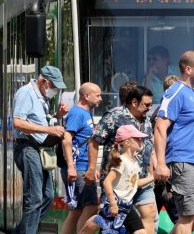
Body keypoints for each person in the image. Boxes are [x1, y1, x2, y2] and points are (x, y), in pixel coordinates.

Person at [87, 84, 157, 234]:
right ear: (134, 102)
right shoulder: (115, 116)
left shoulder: (146, 121)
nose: (149, 107)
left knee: (150, 212)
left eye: (151, 104)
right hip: (118, 182)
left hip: (140, 179)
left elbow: (150, 148)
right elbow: (94, 141)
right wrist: (92, 168)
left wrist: (152, 175)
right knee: (109, 221)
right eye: (146, 104)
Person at [153, 51, 194, 234]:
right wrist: (161, 163)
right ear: (188, 69)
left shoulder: (193, 93)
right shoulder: (175, 92)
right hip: (182, 162)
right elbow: (160, 127)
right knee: (186, 216)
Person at [12, 65, 67, 234]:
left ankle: (22, 231)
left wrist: (56, 117)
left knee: (47, 196)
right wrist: (49, 130)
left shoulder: (42, 96)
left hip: (39, 149)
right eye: (53, 86)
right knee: (34, 198)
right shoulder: (26, 93)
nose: (55, 90)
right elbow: (18, 122)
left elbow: (40, 120)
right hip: (28, 147)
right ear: (43, 81)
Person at [82, 125, 153, 234]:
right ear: (128, 142)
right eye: (138, 139)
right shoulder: (122, 161)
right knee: (103, 226)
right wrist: (113, 204)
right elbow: (107, 182)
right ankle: (94, 220)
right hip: (116, 204)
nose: (141, 141)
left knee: (141, 232)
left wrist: (153, 177)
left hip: (127, 205)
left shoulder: (134, 161)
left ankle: (96, 219)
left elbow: (135, 183)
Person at [60, 83, 102, 234]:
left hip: (82, 166)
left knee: (77, 210)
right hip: (78, 168)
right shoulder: (77, 113)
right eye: (97, 95)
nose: (100, 99)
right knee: (91, 207)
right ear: (86, 96)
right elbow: (66, 139)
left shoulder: (85, 113)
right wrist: (71, 167)